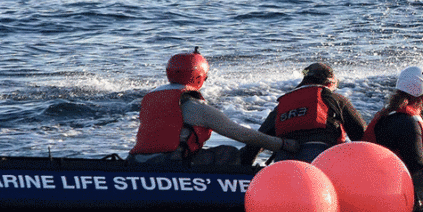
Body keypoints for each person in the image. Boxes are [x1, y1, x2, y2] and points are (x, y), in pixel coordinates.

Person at [128, 48, 299, 167]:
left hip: (136, 161)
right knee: (229, 152)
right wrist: (282, 144)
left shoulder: (151, 99)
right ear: (199, 78)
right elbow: (240, 133)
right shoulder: (194, 106)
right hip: (170, 162)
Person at [239, 62, 368, 164]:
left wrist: (244, 170)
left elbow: (257, 141)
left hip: (285, 162)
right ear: (330, 82)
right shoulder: (336, 99)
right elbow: (363, 136)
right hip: (322, 161)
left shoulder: (283, 104)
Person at [363, 65, 423, 212]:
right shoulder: (407, 122)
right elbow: (415, 167)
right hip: (391, 189)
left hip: (376, 183)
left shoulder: (389, 114)